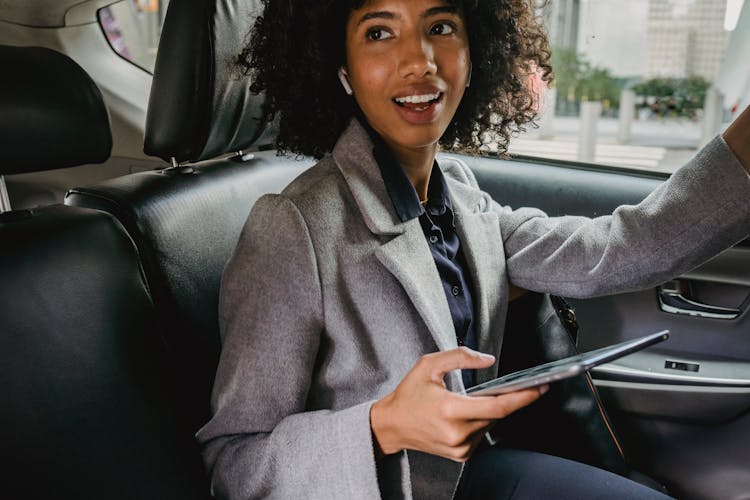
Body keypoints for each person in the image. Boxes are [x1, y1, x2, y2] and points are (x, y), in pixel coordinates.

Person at [196, 0, 750, 498]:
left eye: (440, 26)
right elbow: (236, 462)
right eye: (379, 33)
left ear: (474, 50)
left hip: (478, 475)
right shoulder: (293, 226)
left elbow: (623, 248)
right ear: (340, 68)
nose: (420, 60)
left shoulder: (458, 191)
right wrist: (383, 424)